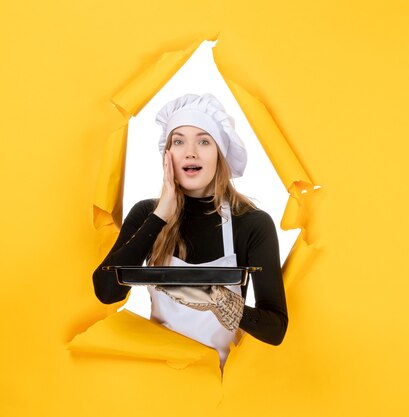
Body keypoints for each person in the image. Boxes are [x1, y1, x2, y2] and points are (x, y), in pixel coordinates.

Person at [92, 93, 288, 367]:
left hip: (218, 389)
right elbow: (106, 292)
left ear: (220, 154)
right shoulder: (147, 214)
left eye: (204, 141)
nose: (190, 151)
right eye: (179, 140)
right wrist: (161, 213)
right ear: (167, 154)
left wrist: (224, 304)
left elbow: (275, 329)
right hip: (159, 381)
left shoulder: (252, 224)